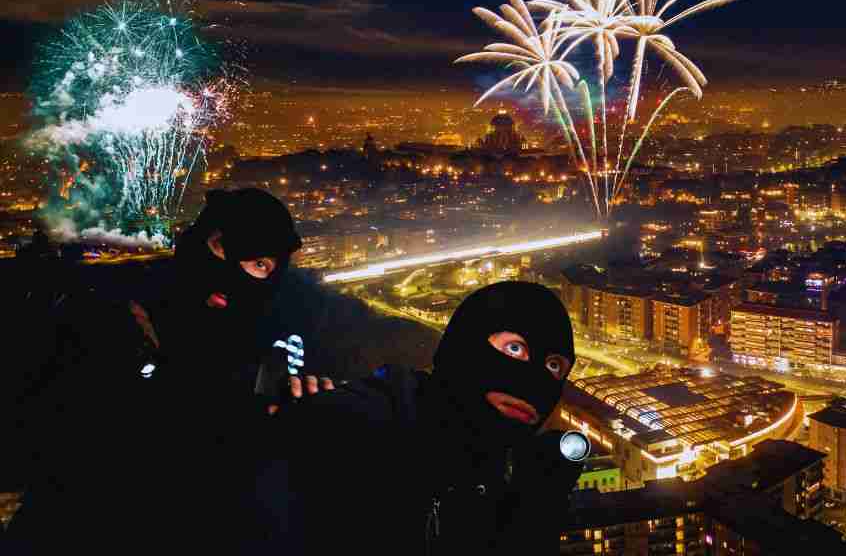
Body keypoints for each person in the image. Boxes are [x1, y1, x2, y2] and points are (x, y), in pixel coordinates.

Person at [6, 188, 325, 553]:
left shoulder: (265, 347)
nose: (233, 272)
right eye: (224, 248)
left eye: (260, 264)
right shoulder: (111, 317)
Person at [281, 280, 584, 555]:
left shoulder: (504, 469)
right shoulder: (361, 428)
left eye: (553, 366)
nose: (535, 381)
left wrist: (537, 510)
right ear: (463, 345)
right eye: (514, 348)